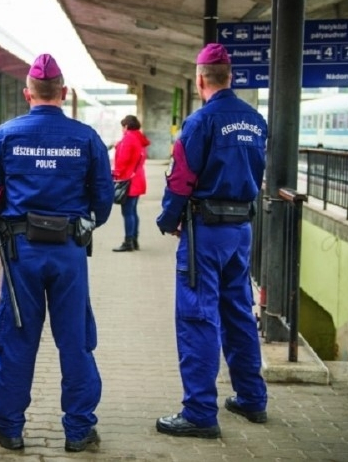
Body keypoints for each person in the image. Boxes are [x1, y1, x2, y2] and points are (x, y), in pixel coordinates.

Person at [0, 53, 114, 452]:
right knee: (75, 339)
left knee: (16, 338)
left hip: (21, 253)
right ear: (63, 94)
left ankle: (9, 428)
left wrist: (0, 220)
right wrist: (85, 225)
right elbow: (103, 198)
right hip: (69, 251)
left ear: (28, 93)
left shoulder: (6, 135)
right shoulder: (86, 137)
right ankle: (79, 430)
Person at [155, 43, 268, 439]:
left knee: (198, 316)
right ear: (230, 77)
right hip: (240, 232)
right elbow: (258, 172)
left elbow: (182, 178)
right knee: (238, 310)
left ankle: (200, 412)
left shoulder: (200, 122)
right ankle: (252, 398)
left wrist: (168, 219)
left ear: (200, 79)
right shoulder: (256, 120)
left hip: (205, 232)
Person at [111, 115, 149, 252]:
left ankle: (128, 242)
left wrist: (114, 174)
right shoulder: (139, 138)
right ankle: (134, 240)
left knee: (127, 212)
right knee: (133, 211)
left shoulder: (128, 138)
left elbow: (123, 161)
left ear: (126, 126)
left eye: (123, 127)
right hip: (138, 179)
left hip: (128, 181)